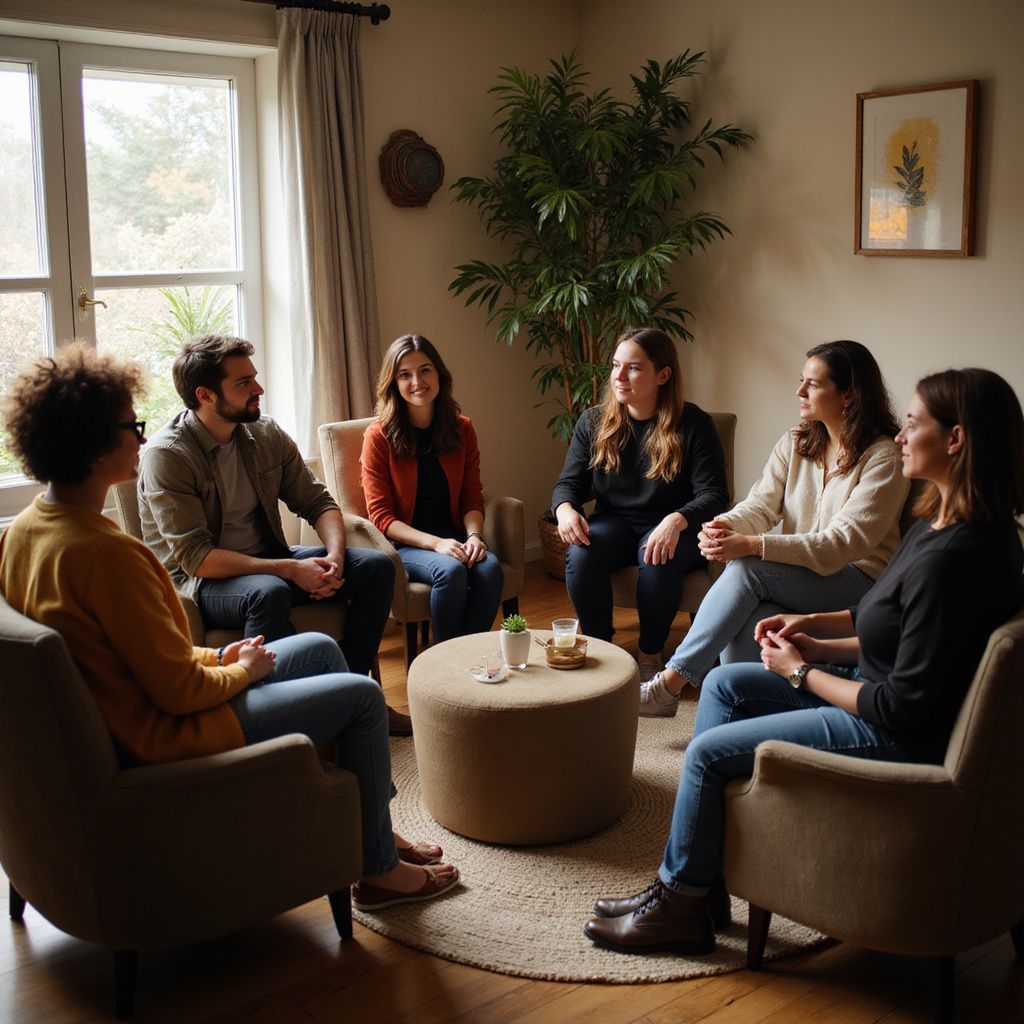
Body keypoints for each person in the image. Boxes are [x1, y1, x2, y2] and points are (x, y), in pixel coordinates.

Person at [584, 367, 1024, 956]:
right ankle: (702, 887)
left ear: (956, 439)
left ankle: (679, 901)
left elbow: (898, 705)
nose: (901, 436)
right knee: (724, 685)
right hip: (877, 691)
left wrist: (801, 672)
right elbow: (892, 629)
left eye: (914, 424)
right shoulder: (939, 523)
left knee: (708, 755)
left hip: (895, 733)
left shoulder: (959, 556)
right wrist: (816, 637)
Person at [0, 346, 457, 910]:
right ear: (93, 444)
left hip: (152, 703)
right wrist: (240, 671)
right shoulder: (110, 555)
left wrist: (220, 658)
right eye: (130, 427)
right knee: (361, 697)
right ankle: (379, 872)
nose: (140, 439)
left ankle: (375, 831)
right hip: (168, 732)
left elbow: (144, 657)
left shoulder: (23, 532)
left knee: (318, 648)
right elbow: (177, 689)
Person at [135, 334, 410, 736]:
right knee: (268, 592)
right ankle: (271, 722)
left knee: (375, 566)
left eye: (254, 377)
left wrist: (334, 557)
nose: (258, 389)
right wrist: (290, 570)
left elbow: (318, 502)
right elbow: (197, 558)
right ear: (205, 395)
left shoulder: (264, 434)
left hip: (267, 561)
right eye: (243, 382)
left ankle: (352, 697)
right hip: (201, 582)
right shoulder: (169, 455)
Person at [641, 339, 910, 717]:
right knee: (755, 619)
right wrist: (722, 527)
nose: (800, 391)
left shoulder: (884, 457)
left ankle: (669, 684)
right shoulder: (797, 442)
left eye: (813, 384)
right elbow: (760, 505)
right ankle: (744, 712)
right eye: (802, 381)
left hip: (861, 582)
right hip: (803, 576)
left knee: (749, 569)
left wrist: (753, 545)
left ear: (849, 395)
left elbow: (841, 544)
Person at [551, 327, 729, 680]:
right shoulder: (593, 422)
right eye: (616, 365)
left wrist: (676, 520)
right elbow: (568, 483)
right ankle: (602, 649)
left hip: (676, 527)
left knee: (657, 556)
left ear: (663, 375)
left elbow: (714, 495)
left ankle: (650, 653)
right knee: (581, 555)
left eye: (633, 368)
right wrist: (565, 509)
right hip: (615, 522)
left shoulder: (694, 424)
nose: (619, 376)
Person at [360, 334, 504, 642]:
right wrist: (436, 544)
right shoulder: (378, 436)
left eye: (425, 370)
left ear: (439, 374)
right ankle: (446, 661)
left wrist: (474, 536)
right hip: (404, 545)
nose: (417, 382)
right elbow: (381, 517)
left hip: (453, 537)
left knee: (490, 569)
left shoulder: (462, 428)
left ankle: (468, 655)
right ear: (394, 383)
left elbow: (471, 496)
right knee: (450, 571)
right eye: (405, 374)